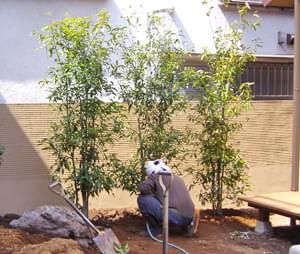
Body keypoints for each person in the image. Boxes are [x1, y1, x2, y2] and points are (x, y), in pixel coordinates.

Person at [137, 159, 195, 237]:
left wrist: (151, 193)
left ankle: (155, 230)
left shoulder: (156, 176)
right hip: (189, 218)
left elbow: (142, 188)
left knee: (143, 199)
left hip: (175, 217)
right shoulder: (177, 178)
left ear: (152, 172)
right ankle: (186, 228)